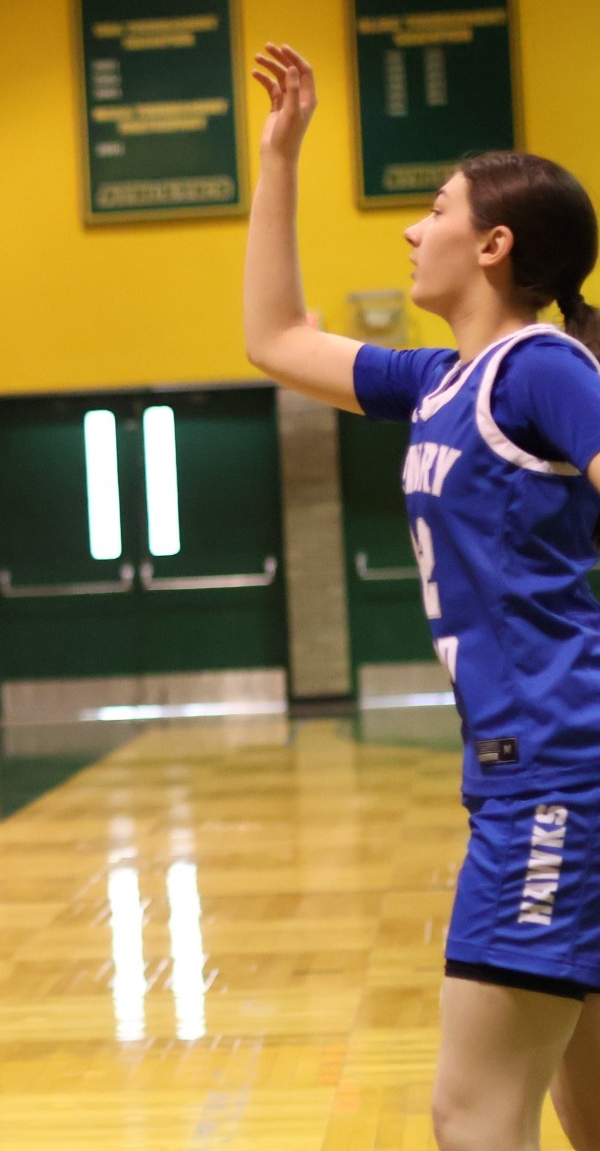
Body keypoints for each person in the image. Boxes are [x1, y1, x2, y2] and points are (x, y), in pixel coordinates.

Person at [242, 43, 600, 1151]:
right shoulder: (441, 381)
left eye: (433, 206)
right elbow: (275, 338)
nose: (410, 227)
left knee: (468, 1114)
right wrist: (277, 156)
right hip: (530, 770)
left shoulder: (543, 367)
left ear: (492, 244)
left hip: (554, 773)